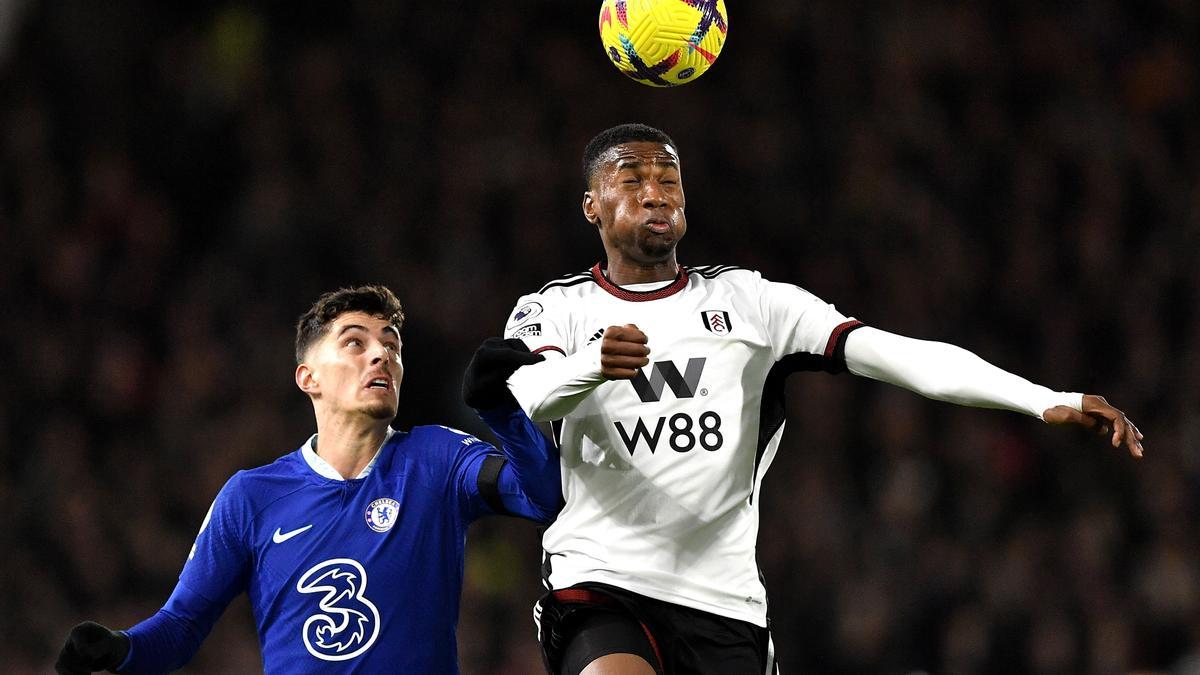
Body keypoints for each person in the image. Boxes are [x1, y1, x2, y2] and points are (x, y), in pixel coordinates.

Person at [479, 123, 1144, 675]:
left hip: (724, 602)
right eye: (632, 179)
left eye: (668, 179)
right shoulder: (555, 309)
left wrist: (1043, 398)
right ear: (591, 204)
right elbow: (528, 393)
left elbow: (899, 356)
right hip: (601, 582)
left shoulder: (752, 302)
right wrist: (591, 365)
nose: (655, 194)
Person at [56, 285, 560, 674]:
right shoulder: (250, 498)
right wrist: (120, 648)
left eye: (391, 345)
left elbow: (540, 496)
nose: (381, 355)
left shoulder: (438, 457)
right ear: (308, 378)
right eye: (355, 343)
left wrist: (503, 412)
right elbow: (182, 626)